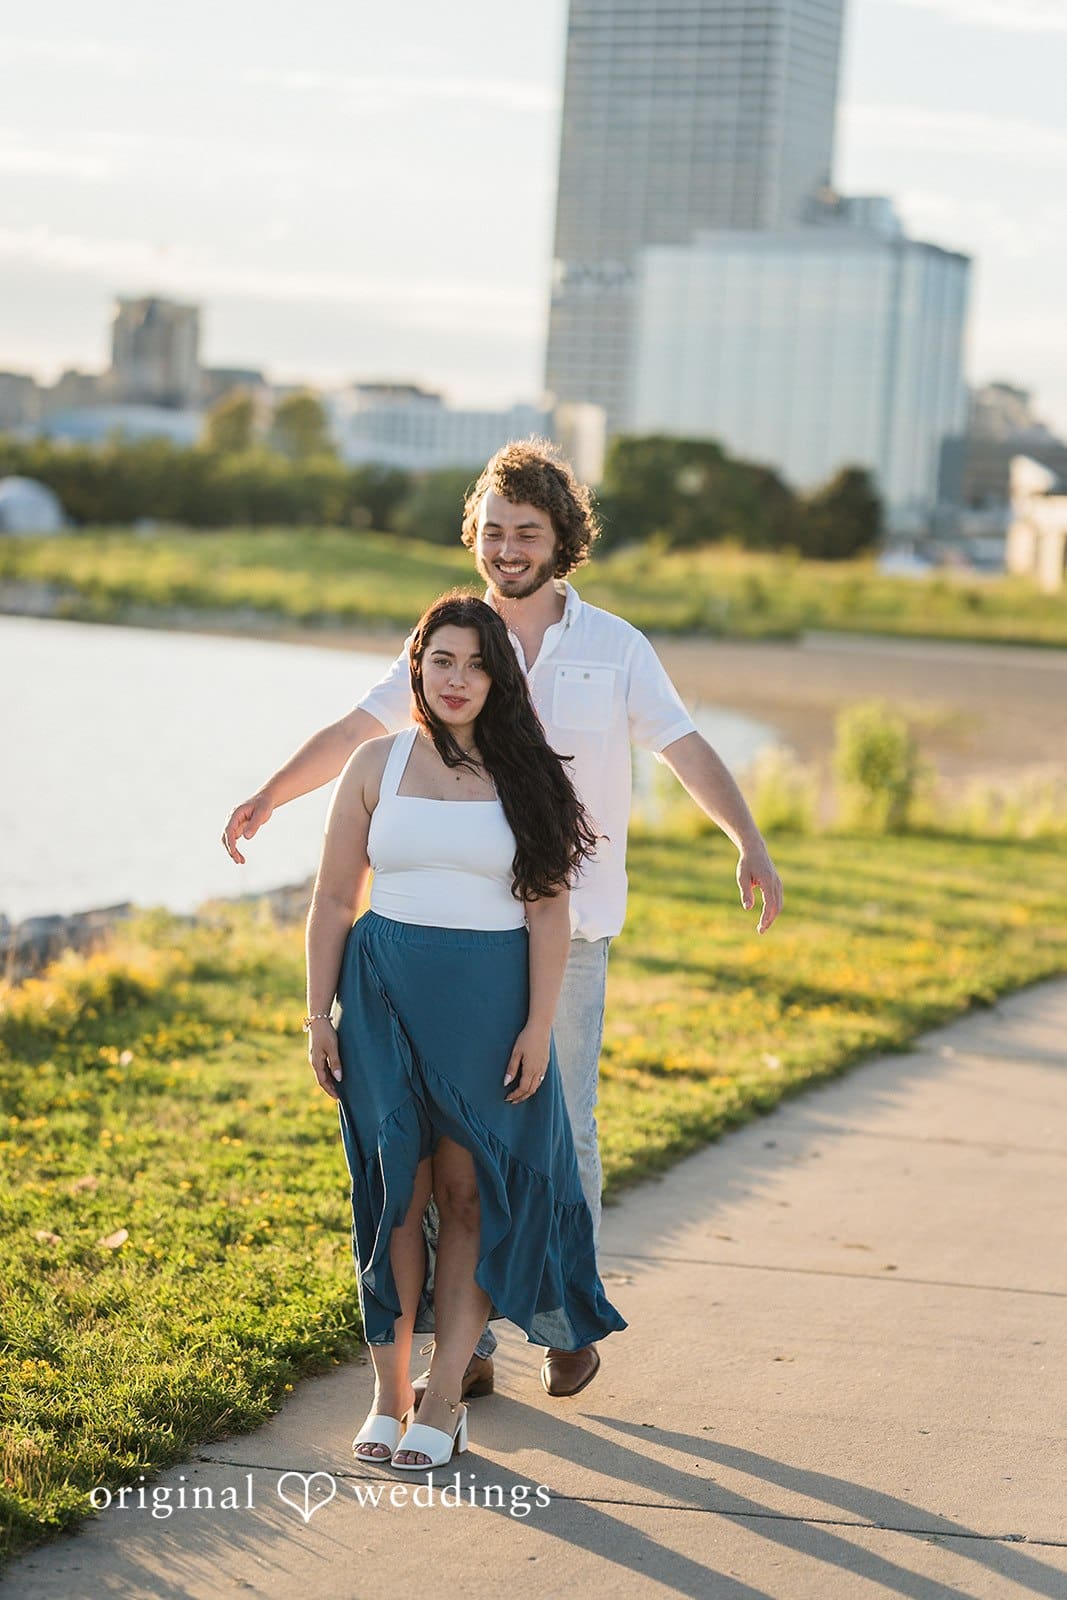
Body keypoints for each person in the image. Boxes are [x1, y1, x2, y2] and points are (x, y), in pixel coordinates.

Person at [224, 437, 782, 1402]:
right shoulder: (453, 639)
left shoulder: (615, 647)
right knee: (453, 1139)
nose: (507, 547)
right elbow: (359, 731)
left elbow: (682, 745)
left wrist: (749, 839)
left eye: (526, 531)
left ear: (561, 539)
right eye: (492, 531)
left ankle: (564, 1319)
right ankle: (467, 1344)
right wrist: (270, 795)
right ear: (473, 537)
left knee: (558, 1134)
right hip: (452, 942)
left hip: (568, 930)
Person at [305, 592, 625, 1469]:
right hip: (380, 996)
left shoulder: (529, 776)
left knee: (467, 1196)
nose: (457, 679)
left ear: (499, 681)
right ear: (417, 667)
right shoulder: (374, 763)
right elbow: (332, 900)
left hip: (487, 1003)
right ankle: (388, 1394)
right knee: (392, 1195)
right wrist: (317, 1015)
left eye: (477, 665)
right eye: (442, 660)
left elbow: (549, 913)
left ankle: (444, 1398)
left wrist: (536, 1026)